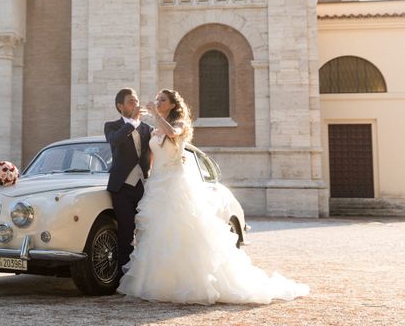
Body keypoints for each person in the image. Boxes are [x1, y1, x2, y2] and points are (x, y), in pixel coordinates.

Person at [117, 89, 309, 304]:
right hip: (157, 184)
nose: (157, 102)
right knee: (157, 233)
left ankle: (191, 283)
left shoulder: (180, 123)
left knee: (180, 230)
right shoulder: (153, 131)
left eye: (163, 100)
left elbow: (172, 134)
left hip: (174, 185)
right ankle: (157, 283)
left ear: (172, 105)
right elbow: (150, 159)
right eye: (157, 99)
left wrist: (156, 115)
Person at [104, 88, 154, 271]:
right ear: (120, 106)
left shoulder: (147, 129)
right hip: (122, 188)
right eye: (131, 102)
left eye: (136, 101)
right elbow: (115, 140)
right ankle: (123, 275)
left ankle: (144, 271)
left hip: (144, 187)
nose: (136, 104)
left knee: (146, 231)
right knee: (125, 232)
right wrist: (132, 121)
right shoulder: (112, 126)